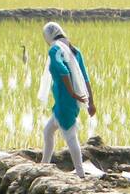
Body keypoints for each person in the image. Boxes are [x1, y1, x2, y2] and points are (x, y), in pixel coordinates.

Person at [39, 21, 95, 178]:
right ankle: (44, 165)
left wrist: (73, 94)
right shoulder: (75, 51)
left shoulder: (55, 49)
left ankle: (80, 173)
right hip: (68, 102)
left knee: (70, 137)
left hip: (66, 100)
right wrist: (90, 102)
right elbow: (85, 78)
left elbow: (63, 72)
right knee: (48, 131)